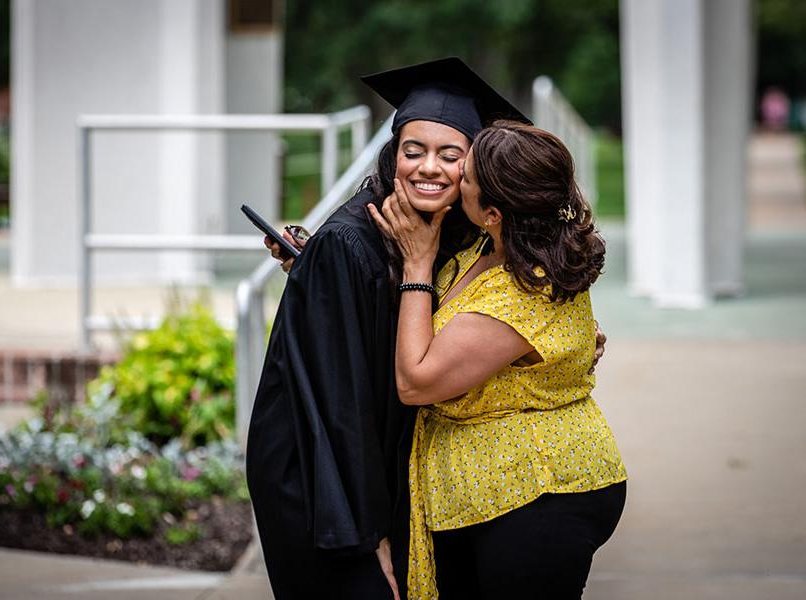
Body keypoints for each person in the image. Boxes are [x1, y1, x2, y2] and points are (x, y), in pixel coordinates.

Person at [245, 58, 531, 599]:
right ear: (391, 155)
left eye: (451, 156)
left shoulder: (445, 233)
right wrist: (372, 535)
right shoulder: (350, 244)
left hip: (374, 466)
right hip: (322, 479)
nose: (429, 168)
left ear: (473, 171)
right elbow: (339, 406)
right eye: (413, 151)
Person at [369, 120, 627, 599]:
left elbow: (416, 382)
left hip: (539, 494)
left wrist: (417, 265)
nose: (452, 177)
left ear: (491, 211)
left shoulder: (518, 291)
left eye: (464, 175)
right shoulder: (489, 249)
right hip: (498, 492)